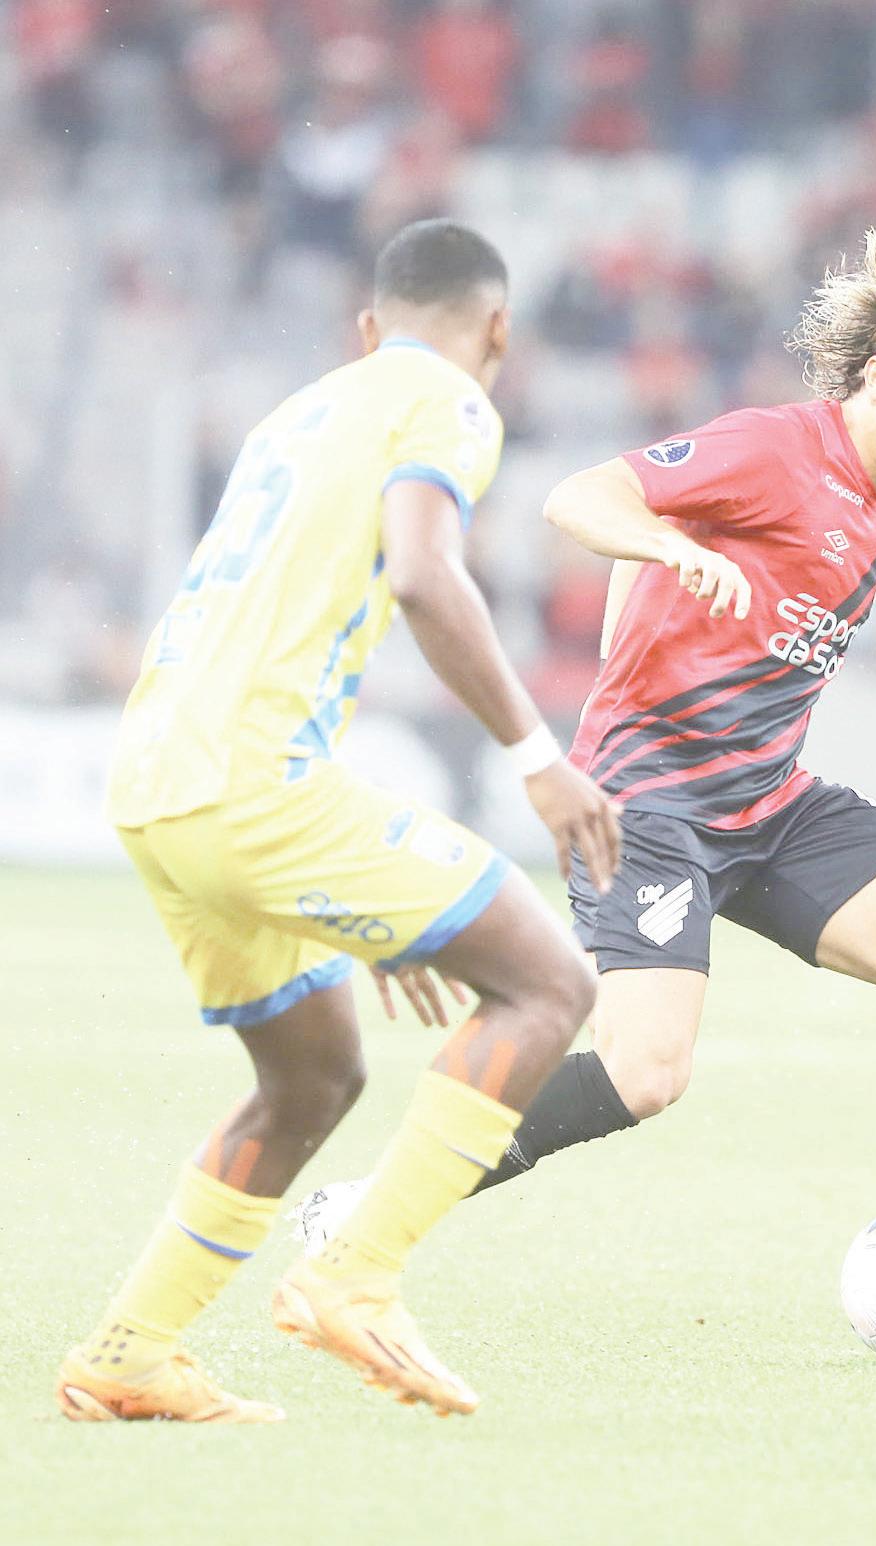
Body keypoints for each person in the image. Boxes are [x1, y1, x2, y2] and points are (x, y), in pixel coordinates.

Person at [301, 223, 876, 1336]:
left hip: (767, 801)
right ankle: (372, 1207)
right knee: (644, 1073)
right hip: (649, 808)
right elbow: (580, 498)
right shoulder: (777, 449)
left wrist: (671, 580)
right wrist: (668, 550)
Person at [55, 219, 620, 1425]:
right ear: (497, 329)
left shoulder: (299, 414)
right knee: (548, 985)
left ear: (367, 328)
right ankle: (355, 1274)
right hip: (254, 783)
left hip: (158, 778)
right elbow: (423, 573)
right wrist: (539, 758)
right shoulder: (448, 399)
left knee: (311, 1076)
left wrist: (368, 910)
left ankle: (129, 1351)